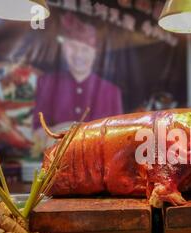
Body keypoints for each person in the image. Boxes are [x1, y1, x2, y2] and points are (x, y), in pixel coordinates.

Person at [32, 12, 123, 152]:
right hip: (56, 165)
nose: (78, 55)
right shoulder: (46, 82)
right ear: (64, 48)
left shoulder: (111, 91)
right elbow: (37, 133)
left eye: (85, 49)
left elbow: (119, 138)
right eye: (73, 47)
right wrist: (62, 130)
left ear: (95, 53)